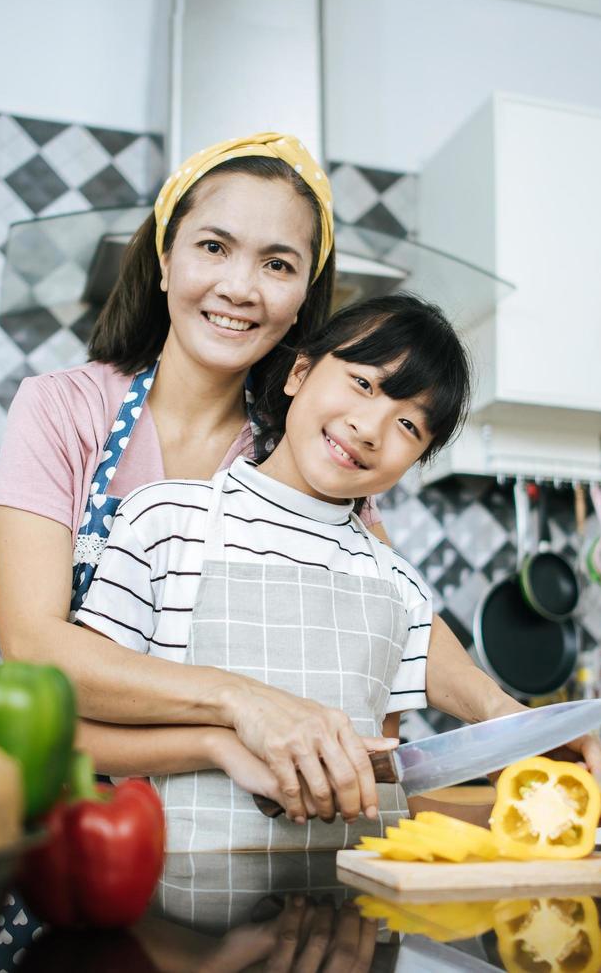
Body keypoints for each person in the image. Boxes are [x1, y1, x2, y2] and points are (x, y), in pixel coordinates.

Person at [0, 132, 601, 831]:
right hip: (71, 814)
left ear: (301, 302)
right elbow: (34, 650)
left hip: (242, 821)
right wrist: (241, 703)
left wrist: (506, 719)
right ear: (165, 260)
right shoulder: (66, 409)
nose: (239, 288)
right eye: (213, 247)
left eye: (277, 264)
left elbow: (393, 608)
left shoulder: (307, 448)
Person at [77, 294, 469, 850]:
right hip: (175, 914)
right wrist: (224, 747)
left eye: (409, 424)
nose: (370, 428)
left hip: (344, 910)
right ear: (300, 372)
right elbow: (78, 733)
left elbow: (377, 786)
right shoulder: (164, 520)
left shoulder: (398, 589)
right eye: (363, 384)